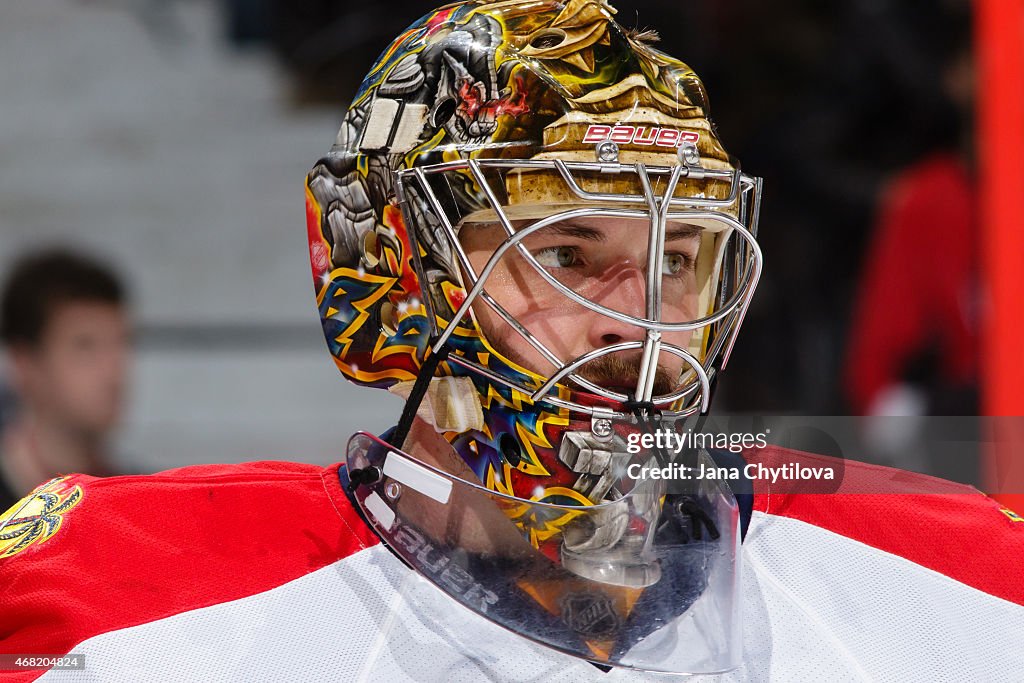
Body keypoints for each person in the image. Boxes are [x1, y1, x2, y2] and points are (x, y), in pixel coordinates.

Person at [1, 2, 1021, 680]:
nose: (640, 322)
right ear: (397, 267)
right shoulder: (133, 611)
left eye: (675, 259)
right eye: (569, 252)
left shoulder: (949, 581)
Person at [0, 249, 129, 513]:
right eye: (85, 346)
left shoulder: (137, 501)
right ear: (24, 362)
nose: (113, 371)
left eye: (122, 343)